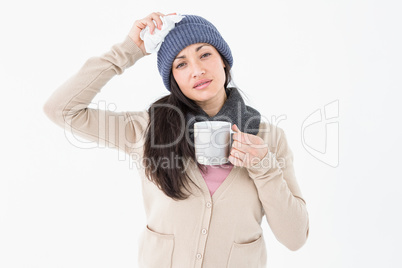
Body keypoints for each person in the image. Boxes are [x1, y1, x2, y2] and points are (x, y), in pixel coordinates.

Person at [43, 12, 309, 268]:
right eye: (181, 64)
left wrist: (264, 168)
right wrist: (128, 51)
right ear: (173, 79)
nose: (197, 70)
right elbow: (61, 109)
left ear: (224, 61)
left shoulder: (268, 139)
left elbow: (295, 238)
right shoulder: (147, 130)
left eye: (205, 54)